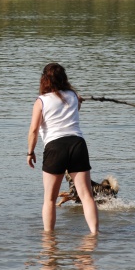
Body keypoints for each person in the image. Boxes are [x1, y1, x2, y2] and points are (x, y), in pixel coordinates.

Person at [27, 62, 99, 234]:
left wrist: (30, 152)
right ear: (64, 78)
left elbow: (34, 130)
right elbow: (75, 110)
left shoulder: (41, 101)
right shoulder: (73, 95)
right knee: (86, 196)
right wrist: (78, 100)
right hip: (77, 144)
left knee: (50, 199)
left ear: (44, 79)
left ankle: (49, 240)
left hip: (55, 147)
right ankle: (95, 234)